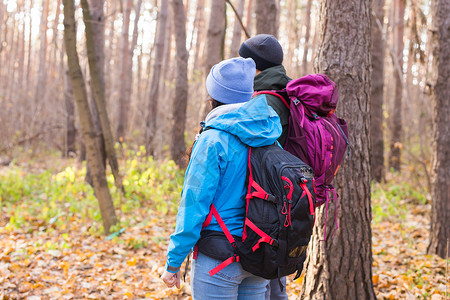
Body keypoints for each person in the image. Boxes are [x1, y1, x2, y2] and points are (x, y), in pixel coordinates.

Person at [161, 57, 282, 299]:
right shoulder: (269, 134)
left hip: (218, 260)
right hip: (258, 254)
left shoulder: (212, 140)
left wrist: (173, 263)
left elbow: (194, 205)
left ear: (214, 96)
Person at [239, 34, 291, 300]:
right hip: (282, 196)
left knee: (270, 281)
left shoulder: (265, 101)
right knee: (274, 280)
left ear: (255, 66)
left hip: (267, 199)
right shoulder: (283, 91)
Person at [239, 34, 292, 147]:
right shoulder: (283, 90)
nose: (240, 66)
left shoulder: (262, 103)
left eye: (244, 61)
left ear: (255, 66)